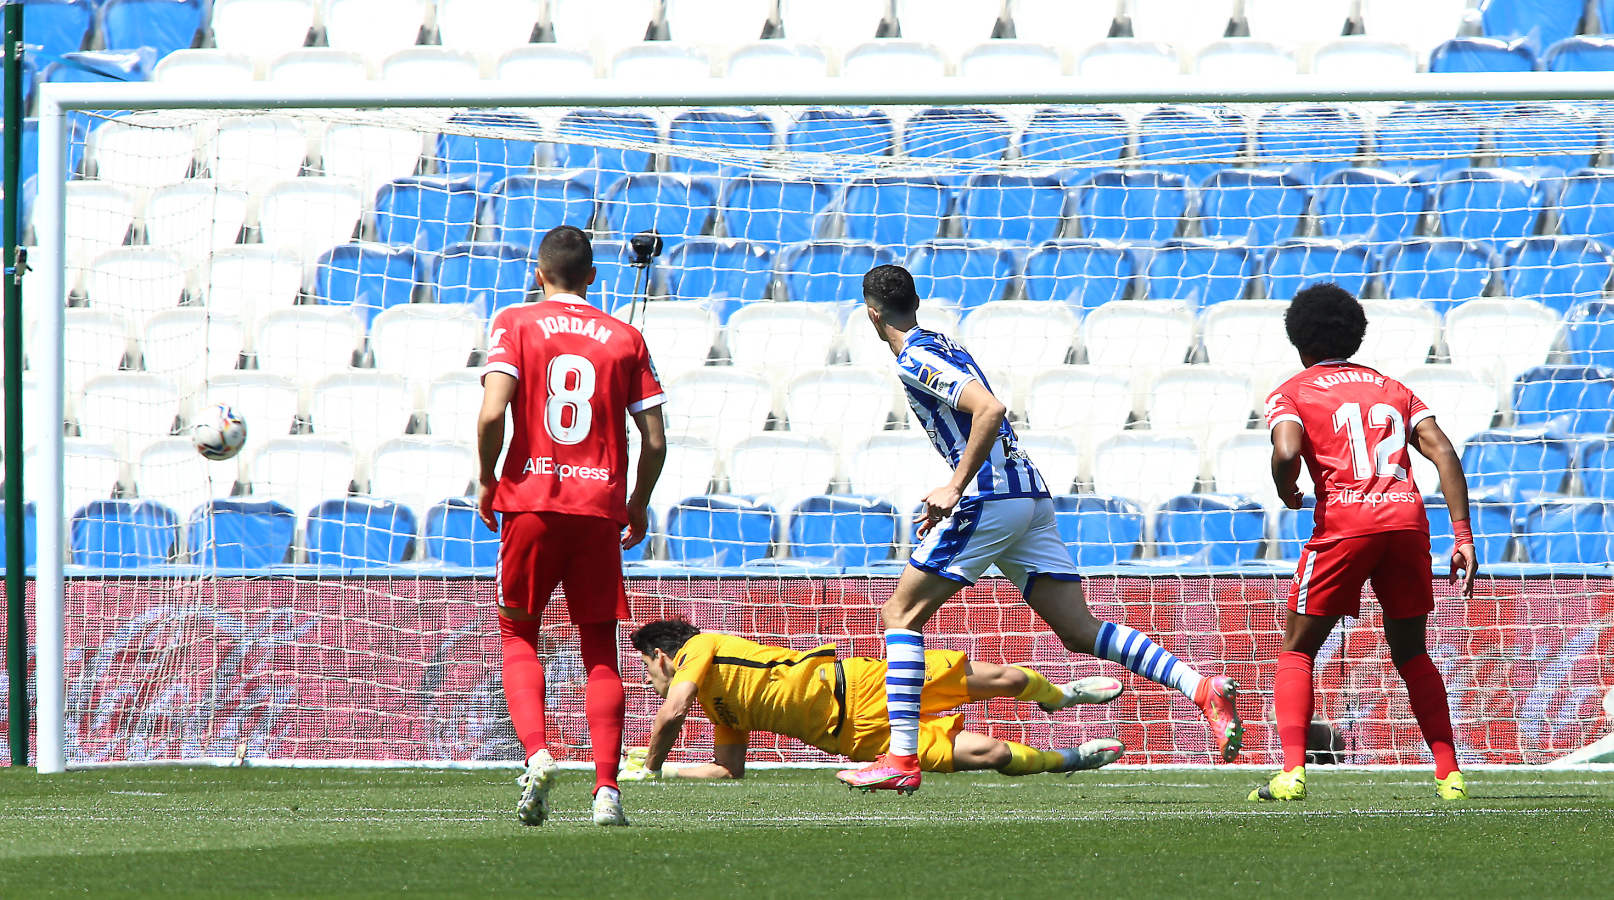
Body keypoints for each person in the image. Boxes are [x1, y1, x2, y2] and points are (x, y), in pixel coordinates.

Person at [838, 265, 1243, 794]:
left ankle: (901, 759)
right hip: (1028, 495)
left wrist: (953, 488)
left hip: (992, 497)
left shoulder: (916, 358)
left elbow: (989, 409)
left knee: (900, 614)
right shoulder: (941, 341)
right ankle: (1200, 686)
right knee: (1078, 630)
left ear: (872, 315)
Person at [1253, 282, 1475, 802]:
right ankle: (1449, 775)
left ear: (1299, 341)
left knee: (1298, 649)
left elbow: (1286, 451)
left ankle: (1291, 773)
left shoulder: (1293, 391)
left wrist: (1288, 489)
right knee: (1412, 651)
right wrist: (1461, 534)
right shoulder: (1393, 387)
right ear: (1355, 336)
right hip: (1405, 520)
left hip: (1346, 523)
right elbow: (1442, 450)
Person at [477, 225, 668, 826]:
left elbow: (491, 413)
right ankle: (607, 791)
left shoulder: (516, 320)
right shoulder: (624, 336)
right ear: (592, 277)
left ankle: (537, 754)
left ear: (539, 274)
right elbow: (656, 441)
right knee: (599, 650)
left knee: (519, 636)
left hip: (531, 503)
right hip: (597, 510)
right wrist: (637, 501)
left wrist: (488, 479)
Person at [621, 619, 1126, 782]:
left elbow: (672, 711)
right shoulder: (719, 710)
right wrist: (665, 772)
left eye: (646, 666)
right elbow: (729, 772)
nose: (649, 679)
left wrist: (647, 762)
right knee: (991, 754)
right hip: (860, 737)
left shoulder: (699, 647)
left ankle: (1059, 695)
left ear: (664, 656)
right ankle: (1070, 760)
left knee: (1009, 678)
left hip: (864, 682)